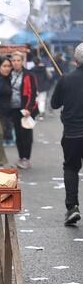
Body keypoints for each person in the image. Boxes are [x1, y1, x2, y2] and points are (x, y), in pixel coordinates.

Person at [50, 42, 83, 226]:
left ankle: (72, 208)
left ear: (75, 60)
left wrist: (64, 87)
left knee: (71, 168)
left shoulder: (66, 79)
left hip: (72, 134)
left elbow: (54, 104)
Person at [9, 52, 38, 169]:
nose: (16, 62)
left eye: (18, 60)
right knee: (17, 134)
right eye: (14, 60)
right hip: (13, 109)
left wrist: (29, 109)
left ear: (22, 61)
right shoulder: (9, 74)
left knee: (26, 134)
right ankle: (21, 157)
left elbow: (32, 93)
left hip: (25, 109)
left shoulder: (28, 75)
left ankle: (26, 158)